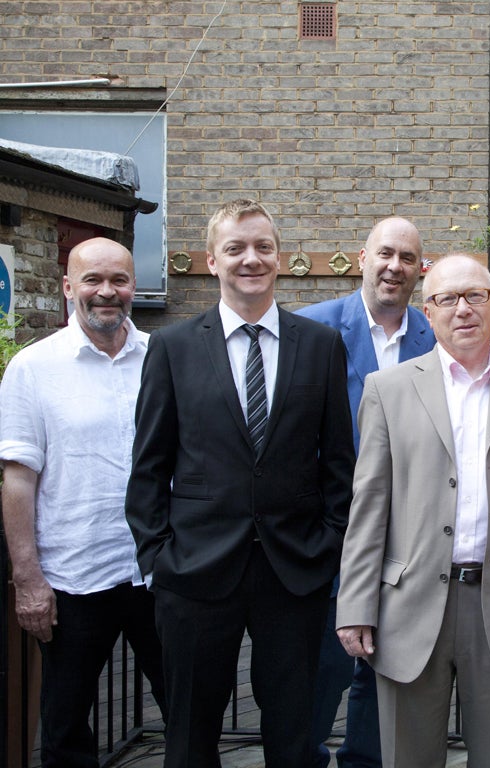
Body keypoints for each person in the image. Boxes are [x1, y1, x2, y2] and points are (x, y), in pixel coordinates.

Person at [125, 199, 355, 768]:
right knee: (190, 734)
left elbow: (339, 464)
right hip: (195, 571)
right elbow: (149, 464)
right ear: (211, 260)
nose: (250, 259)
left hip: (294, 570)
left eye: (262, 247)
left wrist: (328, 544)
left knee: (292, 735)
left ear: (279, 257)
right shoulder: (172, 348)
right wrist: (156, 555)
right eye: (235, 248)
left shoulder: (320, 345)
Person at [335, 254, 490, 768]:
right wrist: (355, 605)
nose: (462, 309)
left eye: (475, 296)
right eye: (447, 298)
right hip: (410, 607)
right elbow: (369, 505)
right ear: (428, 309)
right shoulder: (388, 390)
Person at [0, 237, 166, 768]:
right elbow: (18, 480)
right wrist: (28, 579)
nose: (106, 292)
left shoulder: (164, 359)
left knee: (189, 711)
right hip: (74, 579)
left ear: (132, 287)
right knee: (68, 728)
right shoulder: (33, 367)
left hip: (157, 573)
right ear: (68, 286)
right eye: (92, 280)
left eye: (118, 279)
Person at [297, 216, 435, 768]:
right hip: (330, 534)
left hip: (407, 537)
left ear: (420, 271)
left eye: (407, 259)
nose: (394, 267)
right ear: (362, 257)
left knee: (383, 673)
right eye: (385, 254)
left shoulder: (434, 333)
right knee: (321, 668)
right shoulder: (312, 328)